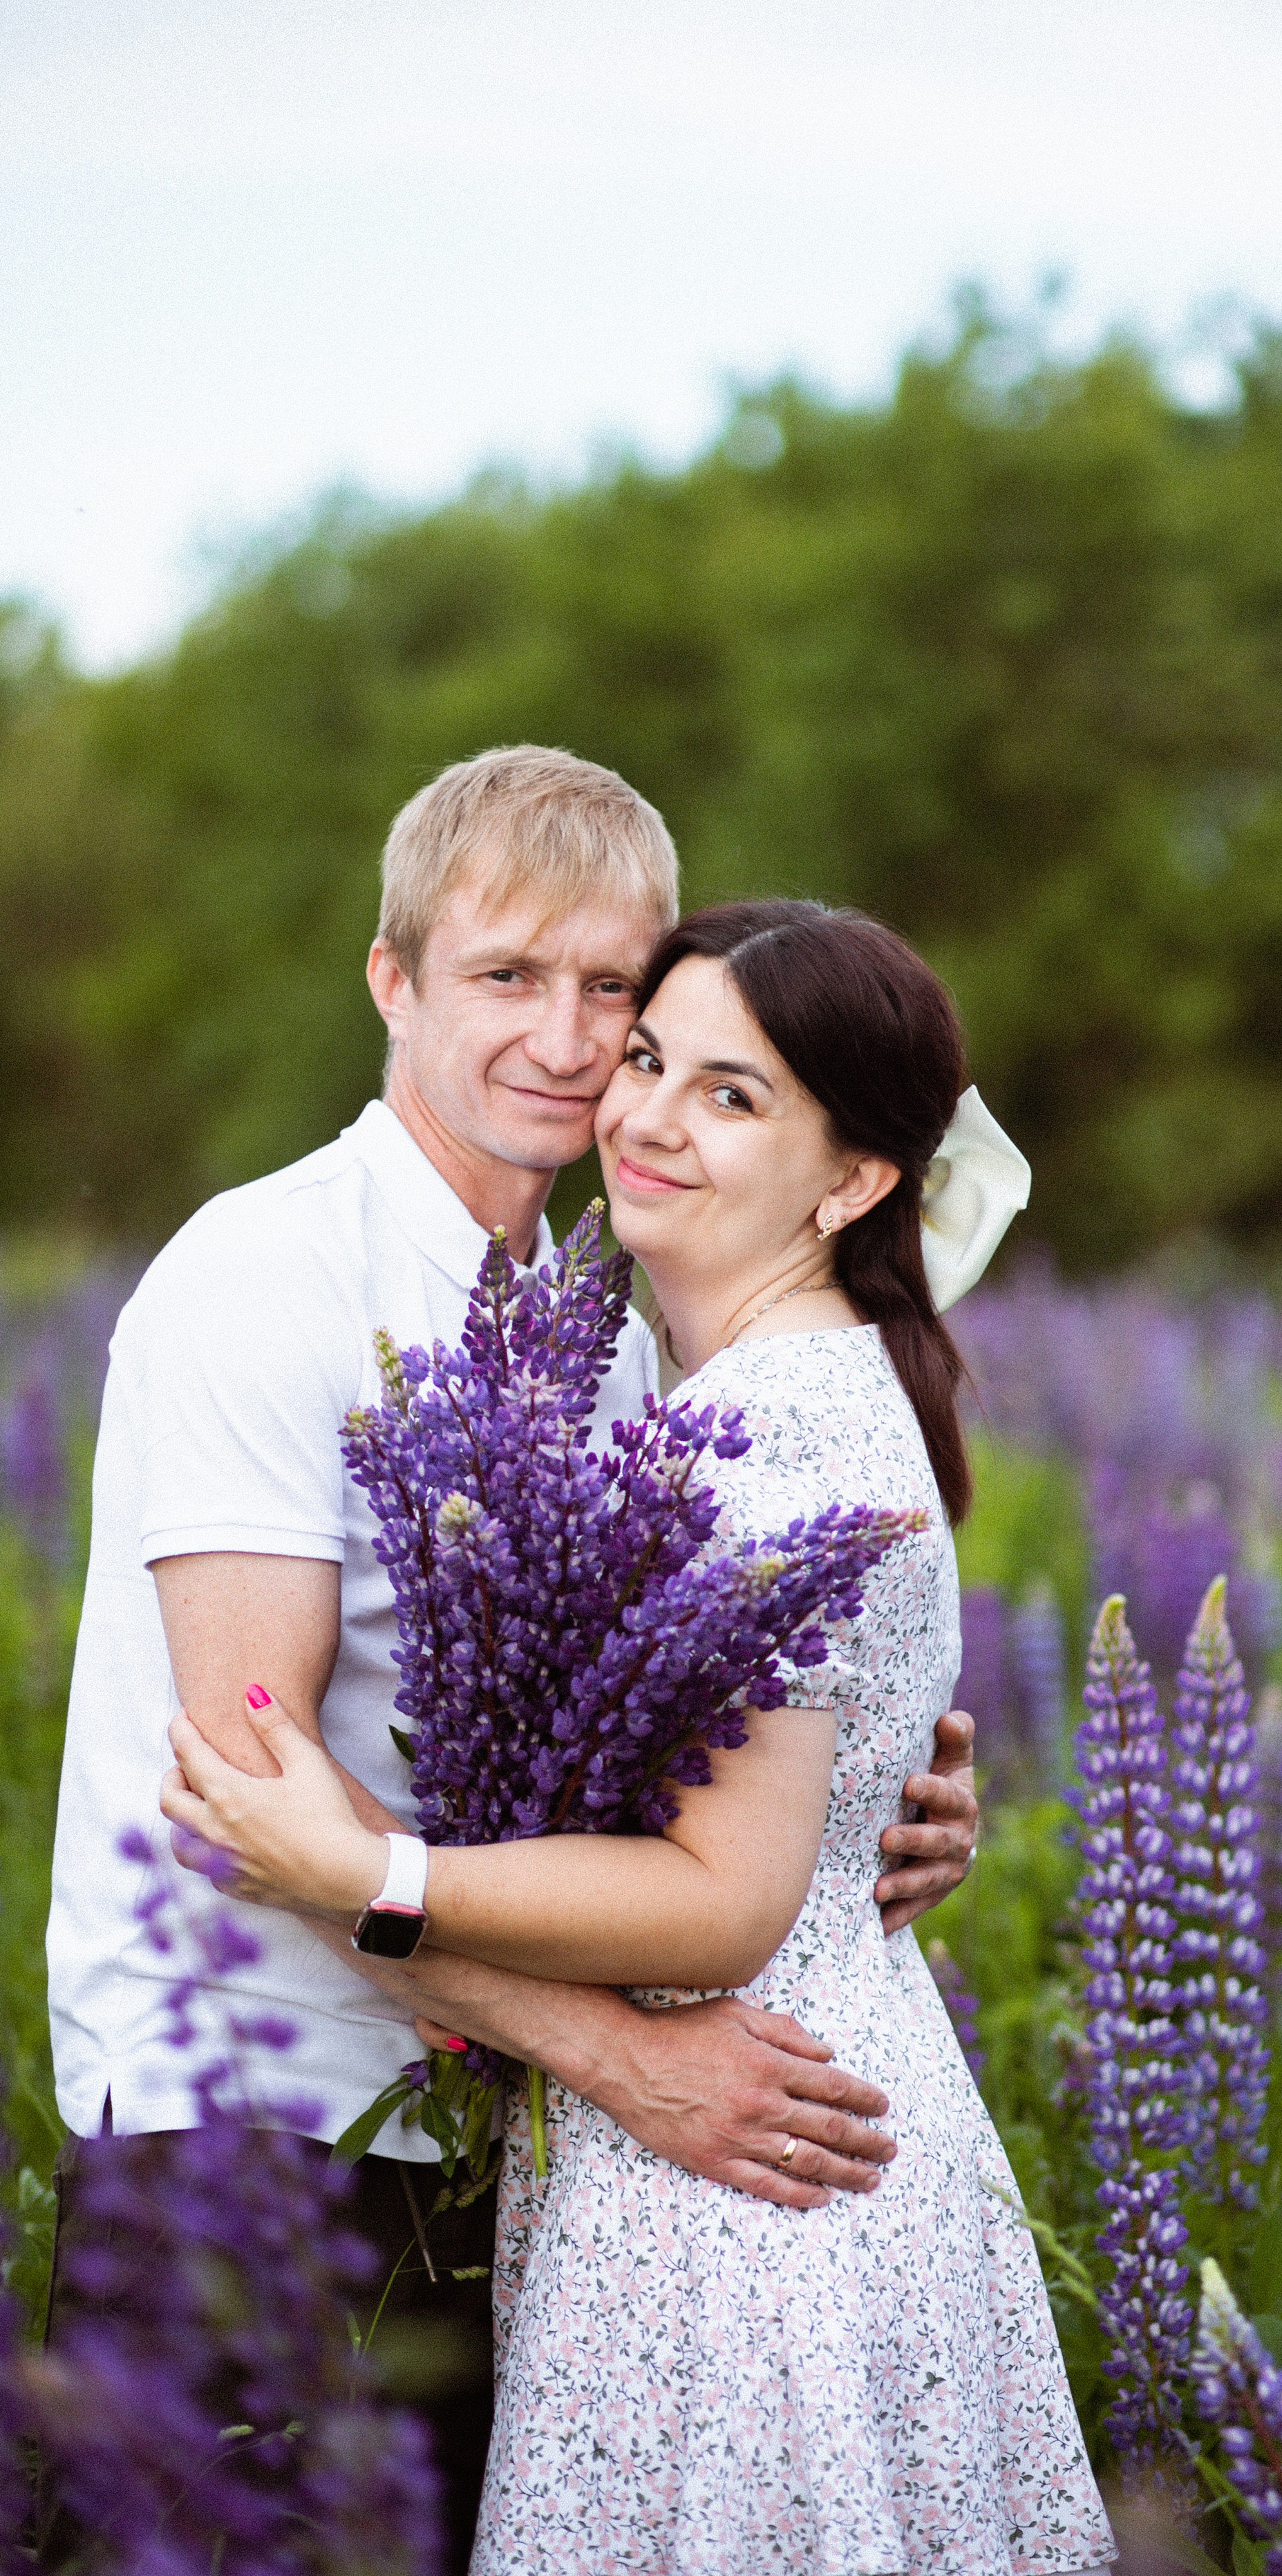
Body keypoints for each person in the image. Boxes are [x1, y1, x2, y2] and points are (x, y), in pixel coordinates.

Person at [43, 754, 982, 2571]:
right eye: (505, 977)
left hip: (491, 2137)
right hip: (256, 2120)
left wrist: (885, 1785)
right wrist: (620, 2061)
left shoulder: (608, 1320)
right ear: (392, 980)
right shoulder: (269, 1281)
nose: (566, 1038)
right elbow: (261, 1794)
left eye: (613, 989)